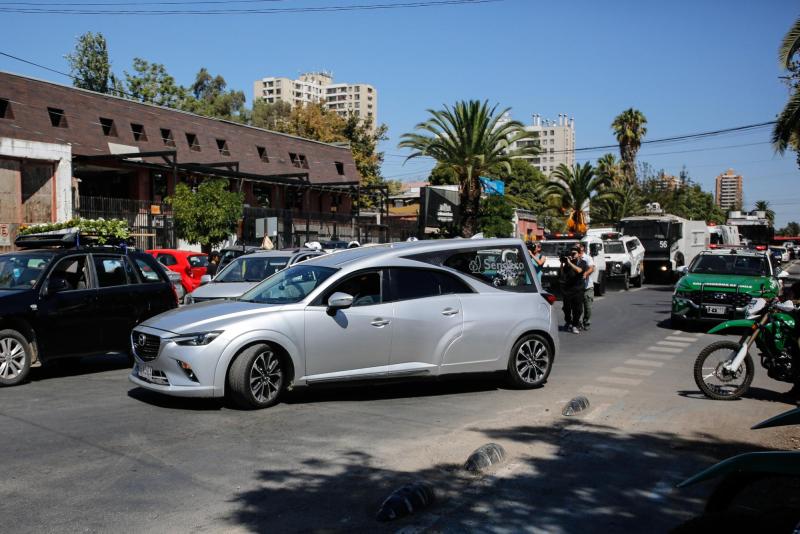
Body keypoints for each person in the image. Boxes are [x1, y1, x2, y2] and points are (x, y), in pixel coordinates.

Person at [559, 247, 588, 334]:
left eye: (574, 253)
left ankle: (575, 325)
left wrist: (569, 263)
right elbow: (561, 274)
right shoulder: (568, 263)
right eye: (571, 253)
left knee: (577, 309)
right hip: (568, 289)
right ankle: (568, 322)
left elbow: (579, 270)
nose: (572, 255)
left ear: (579, 254)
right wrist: (562, 264)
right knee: (566, 308)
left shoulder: (583, 262)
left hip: (578, 289)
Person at [577, 242, 595, 330]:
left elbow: (592, 268)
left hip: (587, 287)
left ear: (583, 248)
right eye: (576, 246)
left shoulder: (588, 258)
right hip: (577, 287)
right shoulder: (574, 258)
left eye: (579, 246)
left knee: (588, 308)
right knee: (578, 307)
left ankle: (586, 321)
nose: (577, 247)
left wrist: (585, 274)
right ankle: (579, 323)